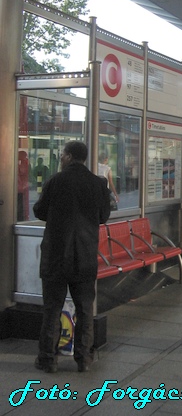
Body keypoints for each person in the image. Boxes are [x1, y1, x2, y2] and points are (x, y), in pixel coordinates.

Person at [34, 141, 111, 373]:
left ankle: (48, 359)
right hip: (85, 255)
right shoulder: (98, 183)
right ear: (85, 158)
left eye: (63, 154)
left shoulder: (56, 181)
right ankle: (84, 359)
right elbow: (103, 217)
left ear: (67, 156)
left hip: (56, 256)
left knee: (52, 309)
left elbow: (39, 210)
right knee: (85, 309)